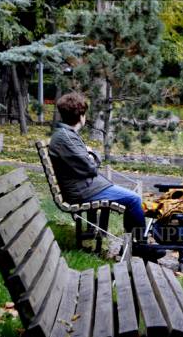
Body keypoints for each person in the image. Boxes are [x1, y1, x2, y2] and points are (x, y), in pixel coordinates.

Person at [48, 92, 145, 233]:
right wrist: (92, 153)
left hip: (85, 187)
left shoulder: (66, 135)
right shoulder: (67, 138)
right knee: (134, 199)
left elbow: (87, 161)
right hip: (83, 191)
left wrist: (89, 154)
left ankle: (133, 240)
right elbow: (91, 167)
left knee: (131, 197)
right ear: (81, 116)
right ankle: (140, 242)